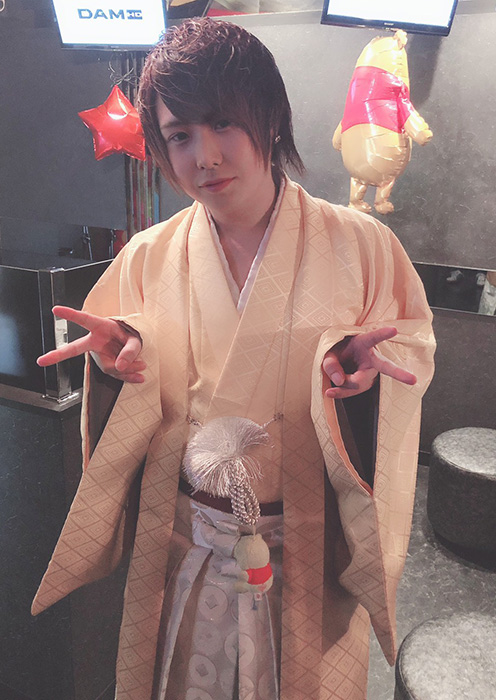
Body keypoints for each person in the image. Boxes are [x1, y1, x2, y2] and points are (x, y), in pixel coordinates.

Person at [32, 18, 435, 700]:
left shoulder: (363, 246)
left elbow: (410, 345)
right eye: (180, 135)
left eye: (223, 122)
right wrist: (116, 371)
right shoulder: (147, 256)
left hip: (307, 544)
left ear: (269, 119)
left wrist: (366, 381)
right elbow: (124, 364)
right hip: (186, 539)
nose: (205, 156)